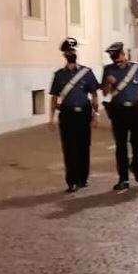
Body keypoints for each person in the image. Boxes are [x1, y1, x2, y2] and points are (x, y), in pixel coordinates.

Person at [48, 38, 100, 193]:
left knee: (84, 147)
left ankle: (83, 178)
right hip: (67, 115)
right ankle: (71, 181)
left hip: (84, 114)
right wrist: (51, 119)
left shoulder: (87, 72)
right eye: (69, 51)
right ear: (65, 54)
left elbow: (94, 94)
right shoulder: (59, 75)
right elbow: (54, 97)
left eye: (73, 50)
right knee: (69, 148)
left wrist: (96, 114)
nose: (72, 53)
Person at [101, 42, 138, 192]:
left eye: (120, 57)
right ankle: (123, 178)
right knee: (121, 145)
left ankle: (136, 167)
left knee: (137, 142)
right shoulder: (108, 70)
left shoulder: (136, 68)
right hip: (118, 112)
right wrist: (108, 83)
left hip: (135, 110)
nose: (118, 62)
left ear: (124, 54)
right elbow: (104, 93)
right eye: (115, 60)